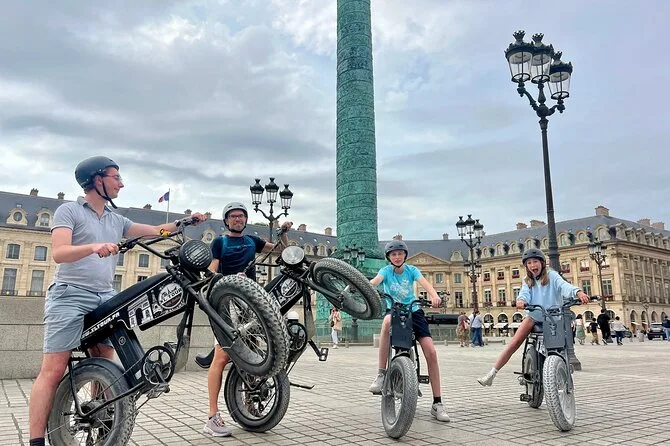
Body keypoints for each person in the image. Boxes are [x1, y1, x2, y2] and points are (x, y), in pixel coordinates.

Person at [28, 156, 206, 446]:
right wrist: (93, 247)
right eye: (116, 177)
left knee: (104, 362)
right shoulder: (69, 211)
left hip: (104, 296)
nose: (121, 184)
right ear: (97, 180)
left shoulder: (116, 219)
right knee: (53, 369)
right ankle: (36, 441)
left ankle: (102, 426)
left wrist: (182, 223)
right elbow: (59, 253)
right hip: (69, 295)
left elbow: (155, 232)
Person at [203, 201, 292, 437]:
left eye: (241, 216)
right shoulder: (220, 242)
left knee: (253, 355)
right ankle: (212, 416)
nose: (238, 219)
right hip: (227, 305)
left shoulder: (253, 241)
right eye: (233, 216)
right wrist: (227, 278)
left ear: (245, 219)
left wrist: (283, 233)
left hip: (250, 305)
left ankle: (249, 403)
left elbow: (281, 251)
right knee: (222, 356)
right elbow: (211, 271)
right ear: (226, 220)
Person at [477, 248, 589, 386]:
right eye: (529, 263)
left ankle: (562, 370)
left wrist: (578, 292)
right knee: (515, 342)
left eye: (535, 261)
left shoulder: (552, 276)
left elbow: (564, 286)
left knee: (561, 344)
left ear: (542, 262)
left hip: (553, 316)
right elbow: (524, 293)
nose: (532, 265)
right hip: (534, 316)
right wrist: (521, 300)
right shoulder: (527, 280)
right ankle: (492, 374)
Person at [368, 240, 450, 422]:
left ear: (405, 255)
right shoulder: (386, 271)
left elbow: (425, 284)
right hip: (394, 310)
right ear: (389, 257)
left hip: (414, 311)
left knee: (431, 352)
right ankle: (381, 373)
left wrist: (434, 295)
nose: (397, 257)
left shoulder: (412, 270)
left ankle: (437, 403)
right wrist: (366, 287)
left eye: (400, 253)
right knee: (386, 322)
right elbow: (376, 281)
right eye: (393, 254)